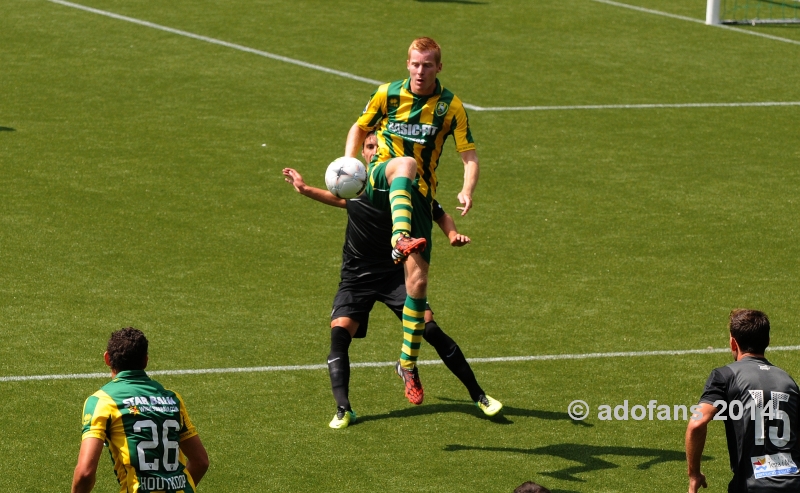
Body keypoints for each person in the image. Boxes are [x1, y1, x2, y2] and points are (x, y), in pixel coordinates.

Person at [283, 134, 501, 429]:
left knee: (430, 329)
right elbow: (337, 198)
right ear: (362, 152)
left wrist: (452, 234)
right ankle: (343, 409)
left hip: (395, 274)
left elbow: (438, 213)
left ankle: (479, 396)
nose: (375, 151)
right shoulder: (355, 185)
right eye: (370, 147)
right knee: (339, 337)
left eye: (379, 146)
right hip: (357, 276)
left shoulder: (402, 187)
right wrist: (305, 188)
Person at [343, 37, 480, 403]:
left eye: (428, 65)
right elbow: (359, 128)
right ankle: (399, 237)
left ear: (439, 67)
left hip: (418, 197)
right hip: (379, 180)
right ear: (407, 65)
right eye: (415, 64)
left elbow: (468, 155)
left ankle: (407, 364)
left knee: (417, 288)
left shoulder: (451, 107)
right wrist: (349, 164)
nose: (420, 71)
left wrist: (467, 189)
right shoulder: (387, 94)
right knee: (404, 164)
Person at [71, 327, 209, 493]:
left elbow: (85, 473)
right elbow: (200, 461)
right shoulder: (173, 399)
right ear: (145, 361)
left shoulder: (102, 402)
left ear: (107, 359)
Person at [685, 309, 800, 493]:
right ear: (768, 341)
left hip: (751, 486)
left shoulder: (725, 375)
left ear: (733, 342)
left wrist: (694, 474)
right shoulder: (788, 381)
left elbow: (697, 424)